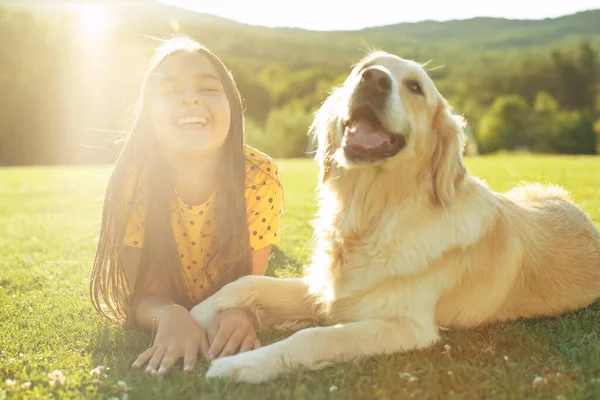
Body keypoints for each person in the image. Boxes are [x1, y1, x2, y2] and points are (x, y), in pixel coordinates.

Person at [89, 35, 282, 377]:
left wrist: (240, 311)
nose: (191, 97)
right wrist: (170, 314)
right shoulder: (134, 180)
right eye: (170, 90)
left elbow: (248, 284)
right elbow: (144, 295)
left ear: (232, 105)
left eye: (208, 88)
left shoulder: (258, 175)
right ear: (149, 115)